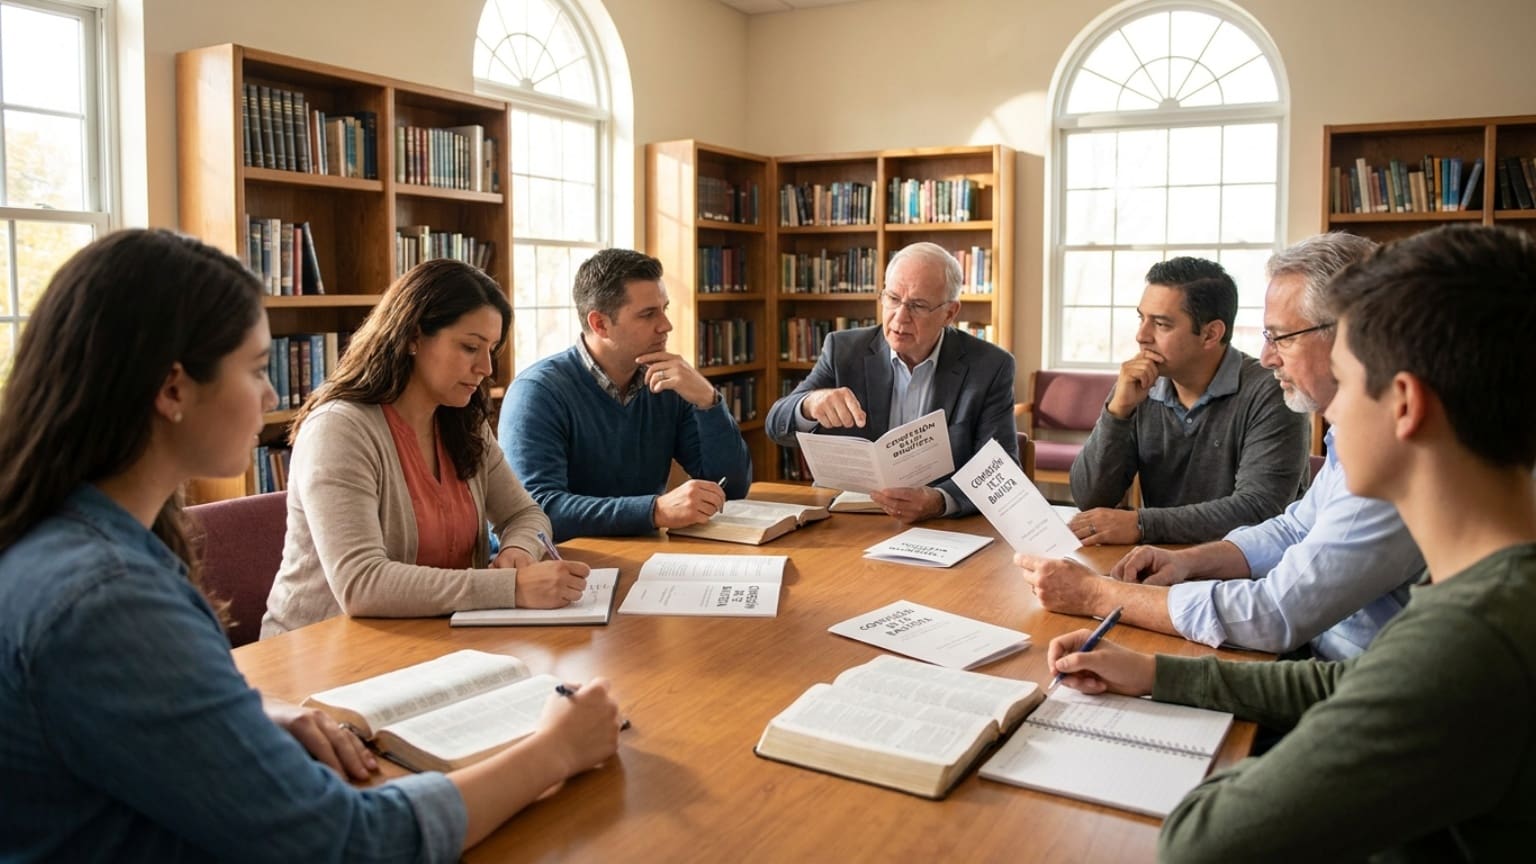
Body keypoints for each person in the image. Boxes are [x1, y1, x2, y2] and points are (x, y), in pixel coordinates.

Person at [0, 229, 622, 862]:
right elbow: (347, 840)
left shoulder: (79, 547)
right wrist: (555, 752)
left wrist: (254, 710)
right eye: (255, 369)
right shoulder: (108, 600)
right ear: (172, 389)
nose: (272, 397)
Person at [1044, 224, 1536, 861]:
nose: (1327, 426)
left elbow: (1200, 841)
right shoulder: (1484, 590)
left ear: (1406, 406)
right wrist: (1157, 674)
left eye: (1351, 381)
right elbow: (1358, 682)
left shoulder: (1471, 637)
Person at [1019, 234, 1423, 660]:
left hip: (1330, 666)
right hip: (1302, 645)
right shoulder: (1347, 434)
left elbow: (1273, 612)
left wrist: (1098, 592)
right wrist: (1190, 561)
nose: (1268, 356)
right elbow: (1293, 528)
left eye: (1281, 337)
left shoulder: (1382, 453)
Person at [264, 258, 590, 636]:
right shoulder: (339, 429)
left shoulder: (462, 421)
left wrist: (518, 551)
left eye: (492, 350)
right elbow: (361, 584)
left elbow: (526, 515)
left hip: (432, 639)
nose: (486, 367)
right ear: (413, 337)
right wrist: (510, 588)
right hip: (320, 651)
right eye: (470, 347)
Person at [500, 248, 751, 541]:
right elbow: (539, 512)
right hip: (564, 568)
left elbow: (732, 490)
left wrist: (708, 401)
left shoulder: (667, 384)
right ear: (600, 324)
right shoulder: (537, 393)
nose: (666, 325)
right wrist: (654, 511)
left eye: (664, 309)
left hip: (645, 556)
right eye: (648, 314)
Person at [765, 242, 1018, 521]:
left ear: (949, 313)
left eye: (918, 305)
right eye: (893, 299)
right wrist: (810, 404)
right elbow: (776, 425)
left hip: (939, 527)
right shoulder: (844, 350)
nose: (900, 318)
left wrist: (940, 500)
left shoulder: (989, 366)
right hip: (849, 522)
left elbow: (1000, 469)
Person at [1067, 257, 1309, 546]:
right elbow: (1089, 499)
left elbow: (1259, 509)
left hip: (1246, 574)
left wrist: (1142, 524)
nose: (1141, 336)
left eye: (1160, 324)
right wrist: (1117, 413)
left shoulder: (1271, 391)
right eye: (1141, 318)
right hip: (1161, 562)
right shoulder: (1139, 384)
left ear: (1210, 334)